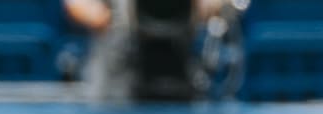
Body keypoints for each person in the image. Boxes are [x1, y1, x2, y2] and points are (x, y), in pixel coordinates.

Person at [64, 0, 227, 102]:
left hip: (181, 73)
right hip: (115, 79)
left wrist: (208, 6)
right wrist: (107, 17)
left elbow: (223, 5)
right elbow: (78, 6)